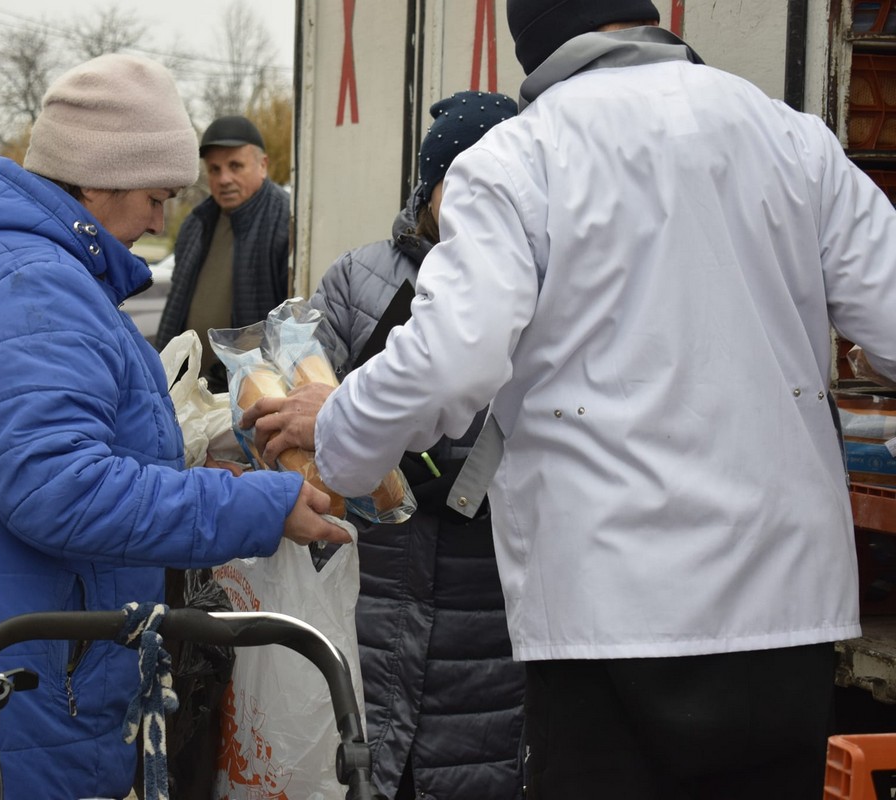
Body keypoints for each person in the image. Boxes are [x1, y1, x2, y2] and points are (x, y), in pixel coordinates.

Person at [242, 0, 896, 797]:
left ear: (534, 44)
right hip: (788, 606)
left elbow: (452, 358)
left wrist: (340, 429)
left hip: (610, 609)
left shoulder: (521, 156)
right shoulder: (793, 139)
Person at [0, 54, 349, 800]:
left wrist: (195, 475)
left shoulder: (9, 265)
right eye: (158, 195)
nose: (163, 218)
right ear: (100, 176)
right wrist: (252, 506)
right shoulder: (29, 285)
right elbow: (58, 490)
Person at [311, 90, 524, 799]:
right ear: (427, 185)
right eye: (456, 182)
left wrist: (453, 473)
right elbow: (308, 397)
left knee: (477, 760)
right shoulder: (356, 278)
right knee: (366, 756)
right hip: (376, 577)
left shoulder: (538, 284)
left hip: (487, 594)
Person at [154, 114, 290, 392]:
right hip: (186, 389)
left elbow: (292, 322)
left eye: (235, 166)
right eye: (214, 169)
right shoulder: (197, 223)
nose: (224, 178)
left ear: (262, 166)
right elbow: (175, 308)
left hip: (249, 394)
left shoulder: (285, 219)